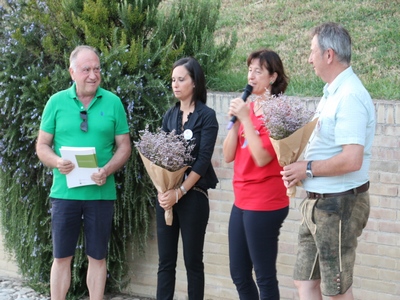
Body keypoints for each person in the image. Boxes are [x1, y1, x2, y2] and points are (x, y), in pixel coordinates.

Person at [281, 22, 376, 300]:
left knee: (336, 290)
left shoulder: (350, 97)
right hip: (319, 203)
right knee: (304, 282)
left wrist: (307, 168)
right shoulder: (332, 93)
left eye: (312, 51)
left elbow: (352, 159)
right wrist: (300, 168)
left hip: (339, 205)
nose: (310, 58)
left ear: (329, 54)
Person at [36, 45, 131, 300]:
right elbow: (42, 145)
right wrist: (57, 162)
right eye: (86, 69)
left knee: (98, 257)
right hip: (65, 194)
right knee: (61, 257)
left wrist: (108, 169)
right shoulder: (55, 102)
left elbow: (124, 146)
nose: (93, 75)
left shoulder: (113, 102)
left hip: (100, 194)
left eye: (97, 69)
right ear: (72, 72)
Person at [222, 49, 290, 300]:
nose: (251, 75)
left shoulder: (279, 112)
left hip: (265, 201)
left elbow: (262, 158)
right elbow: (228, 155)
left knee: (264, 276)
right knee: (238, 273)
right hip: (241, 200)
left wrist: (246, 120)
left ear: (272, 77)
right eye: (249, 69)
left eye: (258, 71)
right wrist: (236, 122)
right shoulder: (247, 109)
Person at [156, 57, 219, 300]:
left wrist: (180, 191)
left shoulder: (207, 116)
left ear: (195, 82)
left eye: (181, 79)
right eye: (173, 80)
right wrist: (164, 192)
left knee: (193, 263)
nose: (175, 84)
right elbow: (159, 157)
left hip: (192, 197)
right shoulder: (169, 116)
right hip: (166, 197)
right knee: (165, 262)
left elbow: (202, 161)